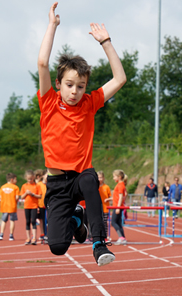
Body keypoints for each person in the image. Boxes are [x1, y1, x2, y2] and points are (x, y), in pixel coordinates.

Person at [37, 2, 126, 266]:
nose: (75, 91)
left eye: (81, 86)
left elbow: (119, 79)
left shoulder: (90, 103)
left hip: (80, 176)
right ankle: (77, 219)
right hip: (56, 185)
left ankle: (98, 243)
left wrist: (106, 42)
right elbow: (42, 62)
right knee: (57, 247)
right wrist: (52, 25)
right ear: (58, 84)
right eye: (69, 85)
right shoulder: (48, 102)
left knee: (89, 180)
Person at [20, 170, 42, 245]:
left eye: (32, 179)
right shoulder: (24, 186)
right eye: (29, 179)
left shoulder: (36, 185)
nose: (30, 180)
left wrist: (32, 194)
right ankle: (28, 237)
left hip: (34, 206)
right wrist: (26, 193)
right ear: (26, 178)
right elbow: (22, 197)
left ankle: (34, 238)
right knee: (27, 222)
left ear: (34, 178)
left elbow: (40, 196)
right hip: (27, 206)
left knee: (33, 221)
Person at [0, 173, 20, 241]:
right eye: (16, 179)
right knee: (12, 221)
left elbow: (0, 196)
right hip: (12, 206)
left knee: (4, 221)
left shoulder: (3, 187)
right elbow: (17, 197)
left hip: (4, 206)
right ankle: (11, 235)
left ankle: (1, 234)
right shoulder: (15, 187)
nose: (16, 181)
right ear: (12, 179)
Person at [111, 169, 127, 245]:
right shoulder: (120, 184)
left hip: (117, 207)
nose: (113, 178)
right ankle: (123, 238)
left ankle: (121, 237)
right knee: (118, 222)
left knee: (113, 222)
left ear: (119, 177)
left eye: (114, 176)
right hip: (118, 206)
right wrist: (110, 199)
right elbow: (118, 196)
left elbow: (121, 197)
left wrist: (118, 207)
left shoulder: (120, 185)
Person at [97, 171, 112, 240]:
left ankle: (105, 236)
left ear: (103, 178)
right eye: (98, 177)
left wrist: (107, 199)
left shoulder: (106, 187)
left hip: (105, 208)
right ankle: (97, 236)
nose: (99, 179)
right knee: (97, 222)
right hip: (97, 208)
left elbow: (111, 197)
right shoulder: (95, 187)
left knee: (104, 223)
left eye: (101, 177)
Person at [36, 169, 48, 241]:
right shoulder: (39, 184)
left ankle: (48, 234)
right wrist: (36, 206)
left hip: (48, 205)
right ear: (43, 176)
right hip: (40, 205)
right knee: (41, 220)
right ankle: (42, 233)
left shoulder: (50, 184)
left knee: (48, 221)